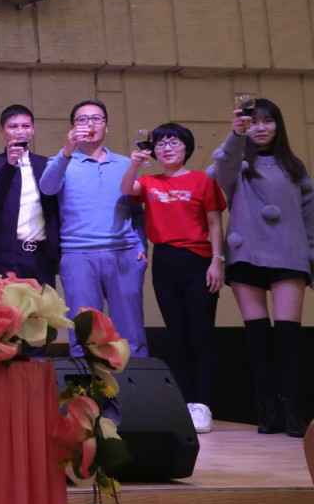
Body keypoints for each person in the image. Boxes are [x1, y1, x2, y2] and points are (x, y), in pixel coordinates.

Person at [212, 98, 314, 437]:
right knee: (257, 339)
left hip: (290, 255)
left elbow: (309, 214)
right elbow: (219, 172)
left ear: (277, 125)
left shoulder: (294, 166)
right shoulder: (237, 161)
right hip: (246, 254)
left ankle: (293, 412)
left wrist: (311, 255)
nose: (260, 127)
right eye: (253, 121)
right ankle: (266, 413)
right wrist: (235, 135)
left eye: (267, 121)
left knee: (288, 338)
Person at [120, 122, 224, 434]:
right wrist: (134, 163)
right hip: (165, 259)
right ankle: (184, 402)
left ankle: (203, 404)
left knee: (200, 333)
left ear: (186, 148)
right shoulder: (149, 181)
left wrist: (217, 261)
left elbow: (215, 223)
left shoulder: (202, 180)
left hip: (199, 259)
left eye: (174, 142)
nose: (167, 148)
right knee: (176, 334)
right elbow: (126, 189)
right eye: (161, 144)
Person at [39, 99, 147, 355]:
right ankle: (85, 381)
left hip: (124, 252)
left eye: (96, 119)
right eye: (82, 119)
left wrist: (141, 246)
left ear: (106, 127)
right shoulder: (61, 161)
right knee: (84, 329)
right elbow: (47, 188)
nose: (90, 124)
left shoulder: (125, 163)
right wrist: (67, 151)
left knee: (131, 330)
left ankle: (136, 378)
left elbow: (137, 210)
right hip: (78, 254)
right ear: (72, 127)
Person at [0, 105, 60, 286]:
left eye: (26, 126)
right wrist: (9, 165)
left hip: (42, 256)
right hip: (6, 257)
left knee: (44, 304)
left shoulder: (46, 165)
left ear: (33, 130)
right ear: (2, 131)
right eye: (13, 126)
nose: (20, 131)